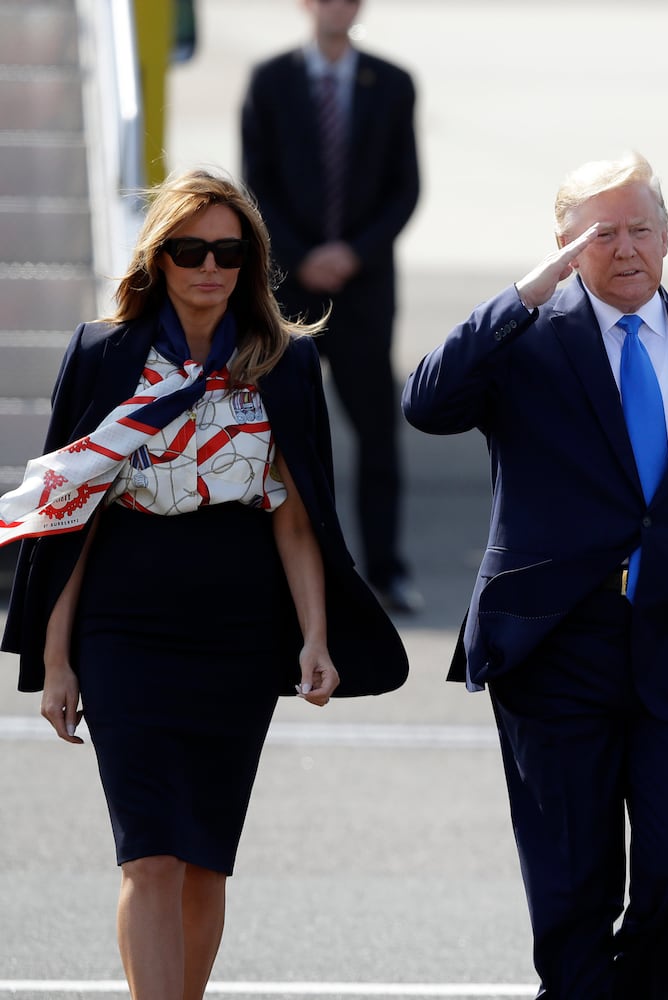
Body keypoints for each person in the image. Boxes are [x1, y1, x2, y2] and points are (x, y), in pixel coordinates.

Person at [401, 153, 668, 998]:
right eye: (599, 233)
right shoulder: (524, 341)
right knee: (571, 891)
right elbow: (428, 404)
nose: (624, 248)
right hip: (555, 647)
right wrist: (521, 296)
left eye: (640, 228)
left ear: (666, 237)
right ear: (562, 247)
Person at [0, 167, 408, 1000]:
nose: (209, 266)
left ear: (250, 262)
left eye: (229, 250)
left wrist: (316, 637)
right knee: (148, 852)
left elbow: (297, 517)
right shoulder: (104, 353)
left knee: (205, 862)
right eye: (190, 249)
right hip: (122, 622)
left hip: (239, 629)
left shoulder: (286, 364)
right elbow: (70, 510)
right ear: (161, 260)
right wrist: (57, 657)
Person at [240, 0, 422, 613]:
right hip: (290, 286)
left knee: (375, 429)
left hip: (365, 287)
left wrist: (352, 253)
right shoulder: (272, 81)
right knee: (283, 429)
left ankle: (386, 569)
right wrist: (301, 255)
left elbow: (406, 187)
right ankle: (286, 562)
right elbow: (255, 181)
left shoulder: (392, 83)